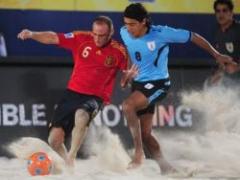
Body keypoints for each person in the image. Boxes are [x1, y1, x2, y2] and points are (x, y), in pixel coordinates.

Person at [120, 3, 235, 174]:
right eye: (126, 23)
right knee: (145, 134)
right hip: (139, 83)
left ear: (143, 21)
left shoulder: (161, 33)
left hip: (159, 83)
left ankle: (138, 154)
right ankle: (167, 168)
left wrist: (216, 55)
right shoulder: (124, 32)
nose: (128, 28)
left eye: (132, 24)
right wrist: (129, 72)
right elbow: (131, 51)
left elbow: (193, 36)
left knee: (128, 106)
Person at [17, 16, 132, 168]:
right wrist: (32, 34)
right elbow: (53, 37)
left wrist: (127, 79)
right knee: (54, 141)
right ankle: (68, 165)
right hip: (72, 93)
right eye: (95, 33)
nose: (97, 38)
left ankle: (72, 155)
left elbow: (125, 81)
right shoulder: (81, 38)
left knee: (81, 115)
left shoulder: (120, 51)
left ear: (111, 32)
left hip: (95, 97)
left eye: (101, 35)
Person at [208, 0, 240, 85]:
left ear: (231, 13)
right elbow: (223, 59)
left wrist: (237, 67)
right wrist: (219, 73)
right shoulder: (217, 33)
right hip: (231, 81)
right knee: (208, 86)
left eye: (224, 10)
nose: (221, 14)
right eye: (218, 11)